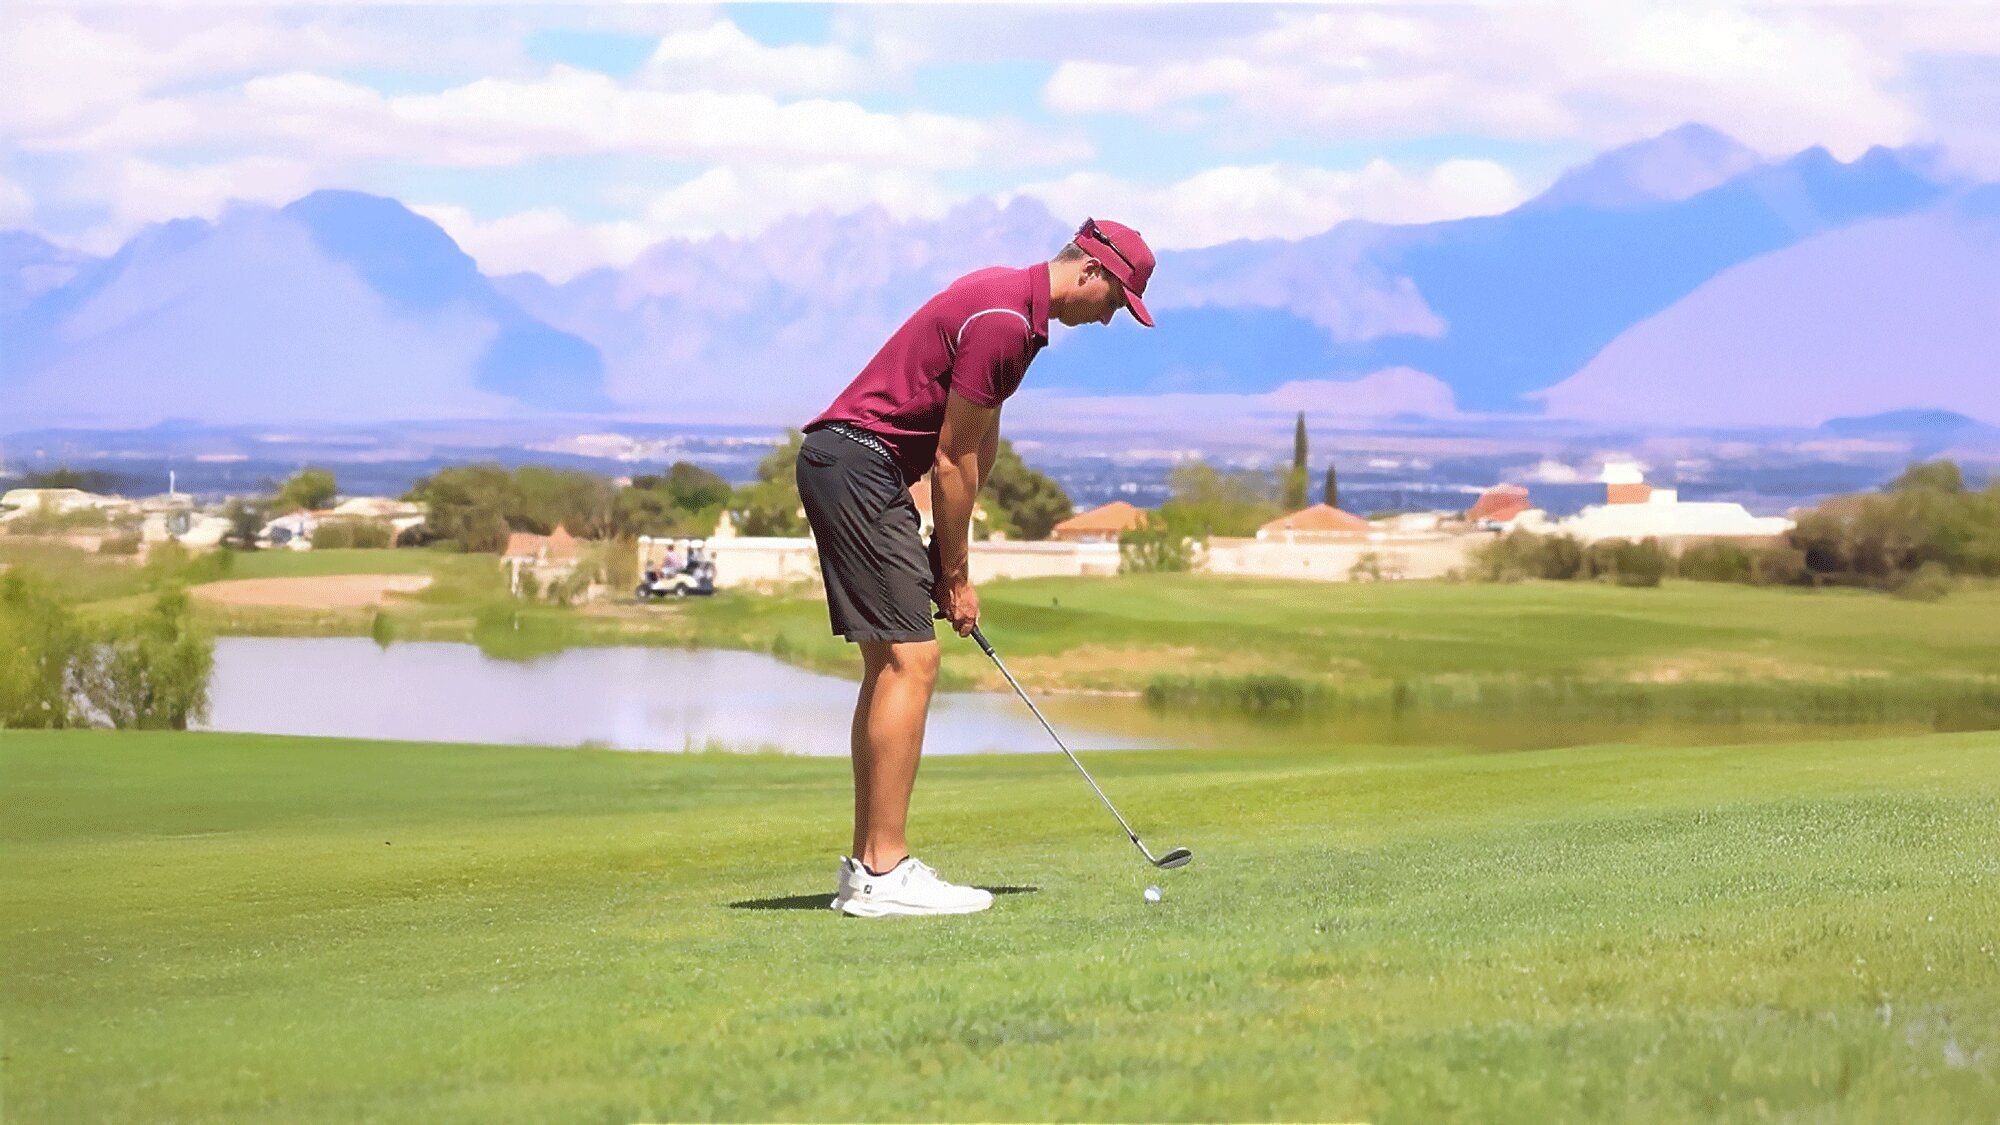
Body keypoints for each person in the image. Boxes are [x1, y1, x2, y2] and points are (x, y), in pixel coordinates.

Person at [795, 218, 1156, 917]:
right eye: (1116, 302)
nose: (1109, 319)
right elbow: (949, 461)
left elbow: (978, 441)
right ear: (1090, 271)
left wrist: (944, 553)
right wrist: (956, 574)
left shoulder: (1013, 309)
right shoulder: (1003, 320)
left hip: (852, 465)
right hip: (861, 466)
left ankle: (868, 869)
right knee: (912, 661)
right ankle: (884, 870)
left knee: (891, 665)